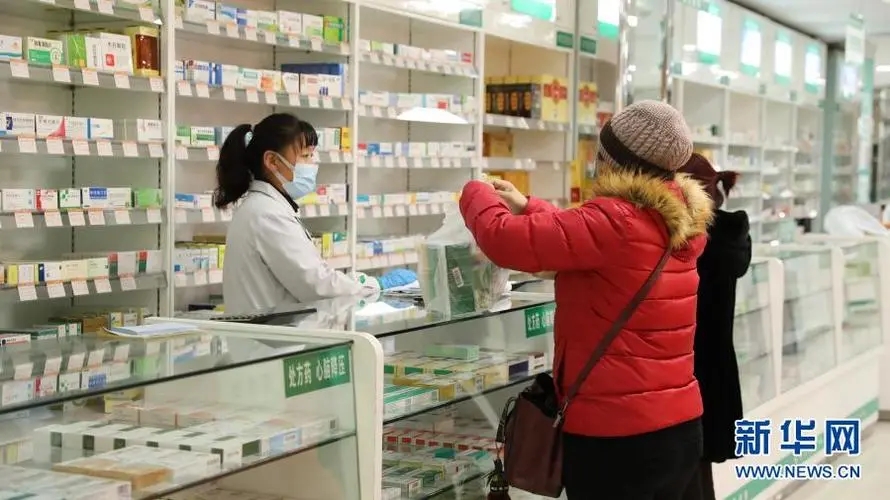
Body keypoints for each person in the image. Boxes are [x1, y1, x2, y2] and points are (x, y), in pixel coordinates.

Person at [459, 101, 713, 499]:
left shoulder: (617, 220)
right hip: (679, 428)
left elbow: (503, 239)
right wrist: (529, 206)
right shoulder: (672, 217)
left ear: (612, 161)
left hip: (617, 438)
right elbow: (582, 237)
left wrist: (474, 190)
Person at [215, 113, 406, 314]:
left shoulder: (265, 207)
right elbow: (318, 286)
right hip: (272, 333)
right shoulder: (266, 214)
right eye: (305, 156)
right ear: (272, 161)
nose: (312, 164)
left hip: (271, 330)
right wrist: (376, 285)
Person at [679, 154, 752, 500]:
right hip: (715, 366)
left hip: (684, 367)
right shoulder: (731, 235)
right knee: (699, 468)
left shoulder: (687, 238)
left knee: (683, 469)